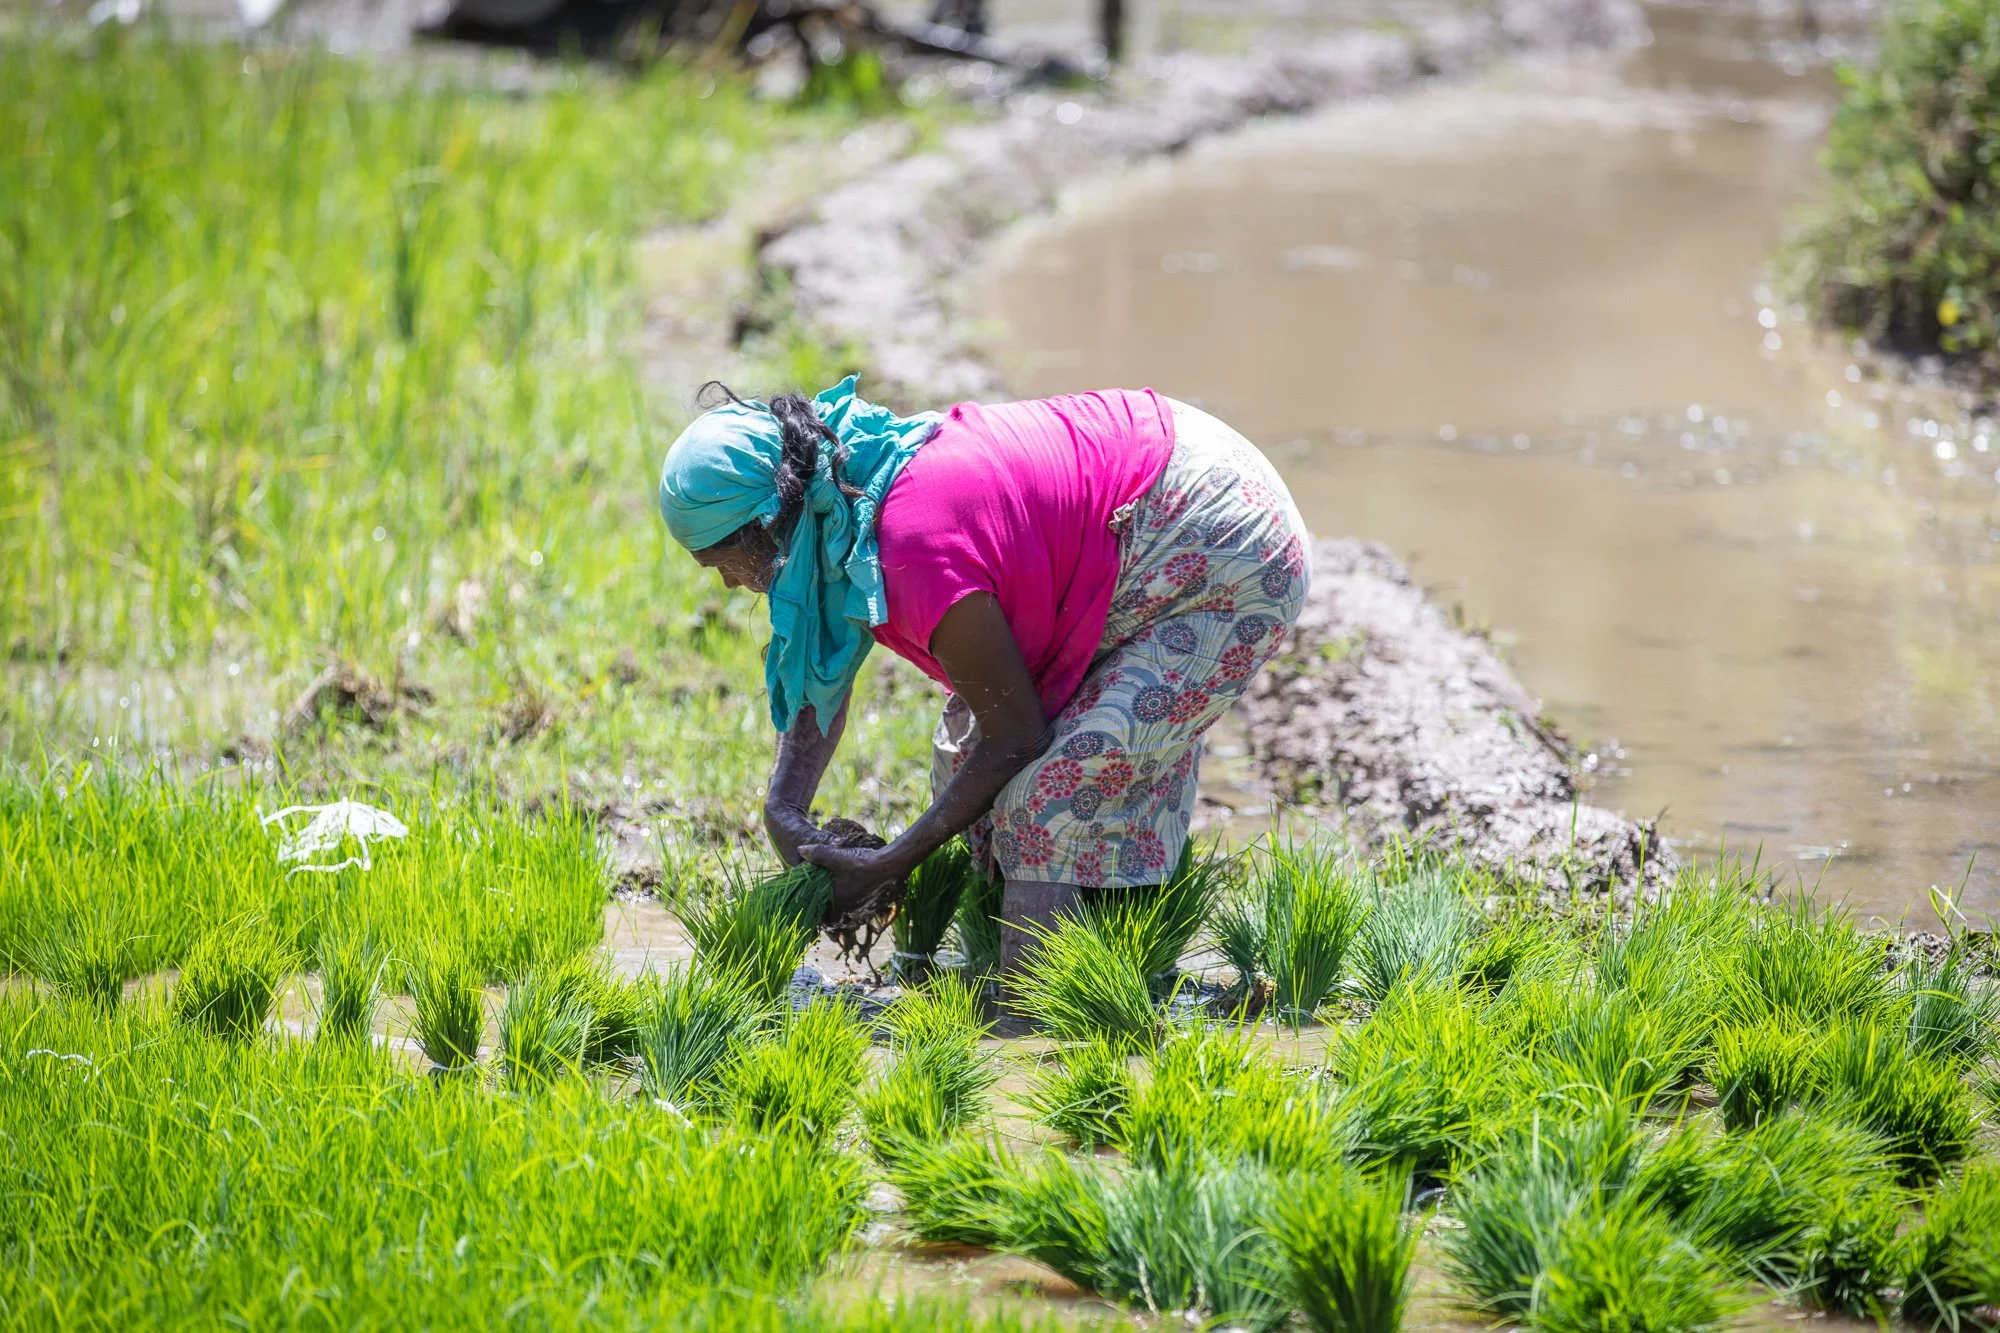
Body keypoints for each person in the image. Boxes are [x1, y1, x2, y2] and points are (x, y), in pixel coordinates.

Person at [658, 376, 1310, 982]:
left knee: (1051, 792)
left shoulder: (908, 546)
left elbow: (1017, 733)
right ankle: (1034, 962)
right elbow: (818, 663)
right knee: (962, 766)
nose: (725, 581)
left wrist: (892, 862)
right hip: (1132, 513)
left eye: (727, 560)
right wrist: (785, 805)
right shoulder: (830, 494)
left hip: (1221, 539)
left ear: (773, 524)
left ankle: (1037, 1017)